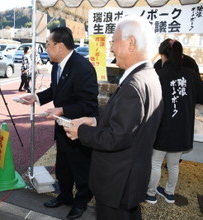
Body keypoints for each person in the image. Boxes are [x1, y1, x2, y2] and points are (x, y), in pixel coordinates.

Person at [64, 16, 164, 220]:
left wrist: (81, 131)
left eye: (114, 41)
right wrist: (94, 122)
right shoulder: (149, 76)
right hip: (129, 180)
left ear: (131, 43)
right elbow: (128, 126)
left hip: (117, 182)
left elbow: (116, 138)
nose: (111, 48)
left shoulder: (134, 86)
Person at [19, 27, 99, 219]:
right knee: (63, 166)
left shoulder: (83, 67)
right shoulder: (57, 64)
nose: (45, 48)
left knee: (80, 168)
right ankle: (65, 196)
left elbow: (88, 104)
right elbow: (56, 90)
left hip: (79, 128)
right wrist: (36, 97)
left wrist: (62, 110)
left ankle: (80, 203)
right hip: (62, 126)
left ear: (60, 46)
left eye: (48, 45)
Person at [145, 40, 203, 204]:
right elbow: (201, 97)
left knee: (155, 162)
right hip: (182, 127)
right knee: (174, 164)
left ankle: (151, 194)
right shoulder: (191, 75)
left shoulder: (157, 75)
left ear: (163, 55)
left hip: (162, 127)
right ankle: (170, 193)